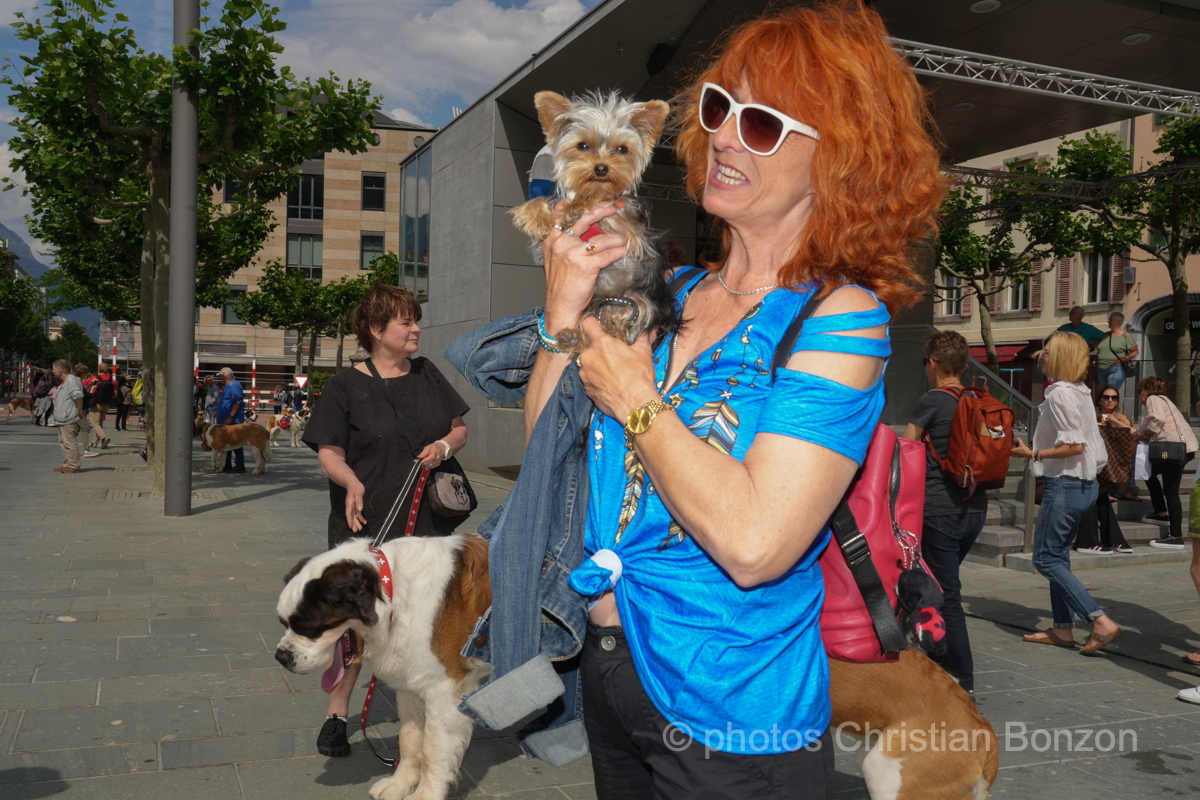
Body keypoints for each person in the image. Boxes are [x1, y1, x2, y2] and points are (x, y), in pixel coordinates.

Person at [500, 5, 944, 793]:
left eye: (764, 124)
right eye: (719, 108)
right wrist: (561, 311)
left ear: (838, 158)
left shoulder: (838, 319)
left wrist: (636, 396)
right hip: (610, 671)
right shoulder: (666, 289)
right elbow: (547, 453)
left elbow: (755, 543)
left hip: (733, 713)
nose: (729, 136)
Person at [302, 282, 470, 758]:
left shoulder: (428, 373)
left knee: (425, 618)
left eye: (416, 321)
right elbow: (330, 453)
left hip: (427, 526)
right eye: (405, 321)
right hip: (365, 525)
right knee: (358, 621)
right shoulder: (344, 386)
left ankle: (425, 708)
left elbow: (459, 429)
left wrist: (444, 446)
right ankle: (337, 713)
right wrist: (350, 482)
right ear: (376, 329)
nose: (416, 329)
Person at [1013, 331, 1122, 654]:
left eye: (1047, 352)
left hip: (1066, 484)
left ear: (1061, 357)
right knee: (1058, 557)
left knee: (1045, 558)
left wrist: (1032, 453)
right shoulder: (1081, 391)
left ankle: (1099, 621)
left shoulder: (1060, 392)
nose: (1042, 357)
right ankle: (1062, 629)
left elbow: (1074, 446)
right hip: (1083, 484)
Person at [901, 331, 986, 700]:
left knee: (947, 595)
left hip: (939, 510)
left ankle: (961, 678)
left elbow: (906, 447)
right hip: (975, 509)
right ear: (963, 367)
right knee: (939, 585)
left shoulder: (932, 400)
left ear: (933, 364)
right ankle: (932, 656)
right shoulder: (976, 400)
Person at [1136, 376, 1197, 548]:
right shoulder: (1164, 400)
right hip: (1181, 449)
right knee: (1149, 473)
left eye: (1141, 390)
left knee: (1171, 491)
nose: (1140, 394)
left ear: (1147, 390)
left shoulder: (1153, 399)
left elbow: (1158, 420)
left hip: (1172, 450)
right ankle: (1162, 513)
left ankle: (1176, 537)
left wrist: (1145, 434)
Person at [1072, 389, 1134, 554]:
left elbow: (1134, 434)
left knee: (1099, 494)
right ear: (1099, 400)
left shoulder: (1121, 418)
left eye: (1114, 397)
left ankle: (1105, 539)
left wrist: (1114, 421)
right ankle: (1090, 540)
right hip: (1085, 465)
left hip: (1103, 467)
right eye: (1106, 397)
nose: (1110, 400)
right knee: (1096, 493)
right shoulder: (1090, 416)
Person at [50, 359, 85, 473]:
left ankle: (74, 465)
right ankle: (67, 464)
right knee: (63, 442)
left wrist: (79, 411)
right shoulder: (66, 381)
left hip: (68, 417)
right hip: (62, 418)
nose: (53, 371)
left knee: (69, 442)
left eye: (54, 369)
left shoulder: (71, 380)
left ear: (59, 370)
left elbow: (78, 396)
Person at [1096, 312, 1138, 395]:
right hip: (1101, 369)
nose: (1108, 322)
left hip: (1115, 369)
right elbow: (1101, 350)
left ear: (1118, 321)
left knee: (1110, 393)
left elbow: (1135, 352)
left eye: (1110, 320)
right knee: (1104, 394)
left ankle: (1116, 404)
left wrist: (1120, 361)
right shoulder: (1106, 335)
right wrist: (1095, 359)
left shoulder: (1126, 335)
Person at [215, 367, 246, 473]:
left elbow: (237, 402)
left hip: (232, 421)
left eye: (220, 377)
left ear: (224, 377)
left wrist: (230, 417)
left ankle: (239, 465)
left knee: (236, 443)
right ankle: (226, 465)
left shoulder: (233, 385)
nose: (220, 379)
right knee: (226, 443)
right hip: (227, 420)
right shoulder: (229, 385)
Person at [89, 363, 114, 450]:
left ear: (99, 370)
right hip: (106, 404)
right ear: (107, 370)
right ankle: (94, 442)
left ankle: (103, 438)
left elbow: (89, 390)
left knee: (95, 423)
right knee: (100, 424)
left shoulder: (95, 378)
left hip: (95, 403)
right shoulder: (111, 380)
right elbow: (115, 394)